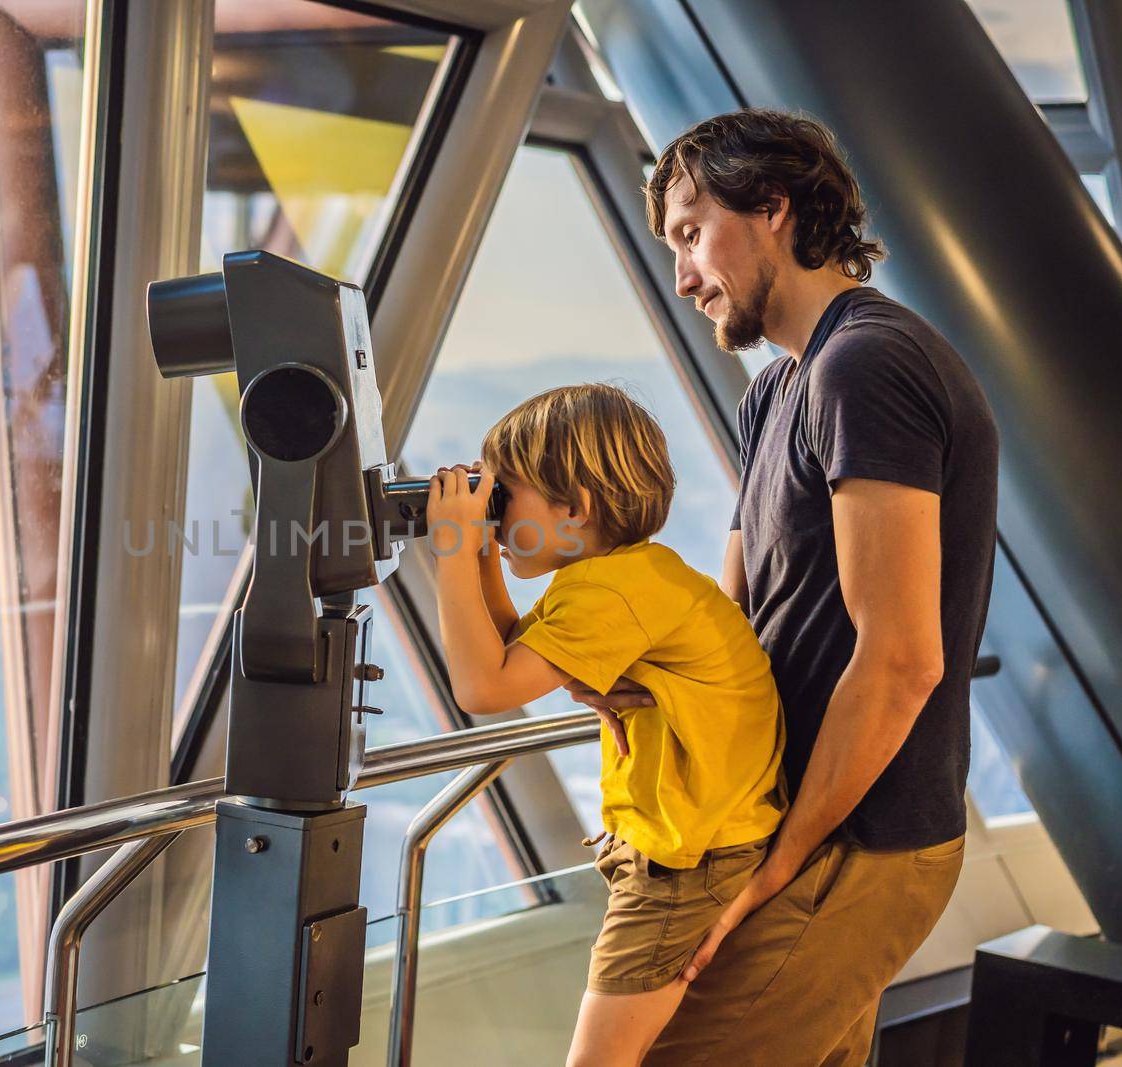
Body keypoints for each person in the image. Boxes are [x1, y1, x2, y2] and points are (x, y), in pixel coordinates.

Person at [567, 108, 1000, 1064]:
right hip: (789, 818)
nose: (682, 276)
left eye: (691, 233)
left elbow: (900, 659)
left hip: (853, 835)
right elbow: (730, 620)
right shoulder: (778, 388)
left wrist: (780, 862)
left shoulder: (867, 364)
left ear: (773, 208)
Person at [424, 382, 787, 1067]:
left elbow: (482, 684)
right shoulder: (622, 577)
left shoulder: (613, 592)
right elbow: (510, 651)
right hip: (693, 843)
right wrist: (474, 553)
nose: (495, 519)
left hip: (687, 859)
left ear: (574, 507)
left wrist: (449, 548)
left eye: (506, 498)